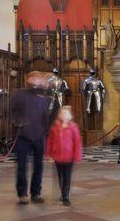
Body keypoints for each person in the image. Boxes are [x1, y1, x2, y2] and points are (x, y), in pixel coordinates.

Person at [11, 72, 55, 205]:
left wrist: (47, 131)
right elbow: (13, 111)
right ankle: (22, 194)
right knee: (22, 166)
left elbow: (50, 115)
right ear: (28, 79)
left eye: (39, 78)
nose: (37, 80)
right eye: (34, 77)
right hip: (23, 136)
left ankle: (36, 193)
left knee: (38, 166)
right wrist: (19, 121)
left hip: (39, 135)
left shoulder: (46, 96)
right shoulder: (19, 93)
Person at [46, 105, 82, 206]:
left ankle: (66, 196)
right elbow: (50, 141)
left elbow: (77, 142)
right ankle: (62, 193)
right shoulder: (55, 127)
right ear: (59, 115)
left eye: (66, 114)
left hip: (69, 157)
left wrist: (77, 155)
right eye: (62, 113)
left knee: (67, 177)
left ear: (70, 116)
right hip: (57, 157)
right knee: (60, 177)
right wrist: (48, 154)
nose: (64, 115)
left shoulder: (73, 127)